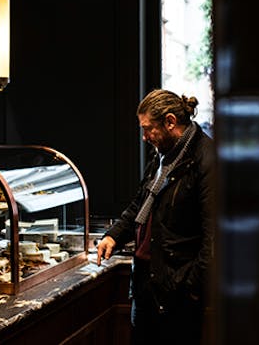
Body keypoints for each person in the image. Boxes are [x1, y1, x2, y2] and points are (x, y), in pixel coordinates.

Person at [96, 89, 215, 345]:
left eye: (148, 129)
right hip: (145, 283)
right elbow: (141, 205)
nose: (144, 136)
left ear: (170, 122)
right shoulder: (162, 155)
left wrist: (189, 288)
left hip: (177, 292)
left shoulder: (207, 160)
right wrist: (113, 236)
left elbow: (213, 241)